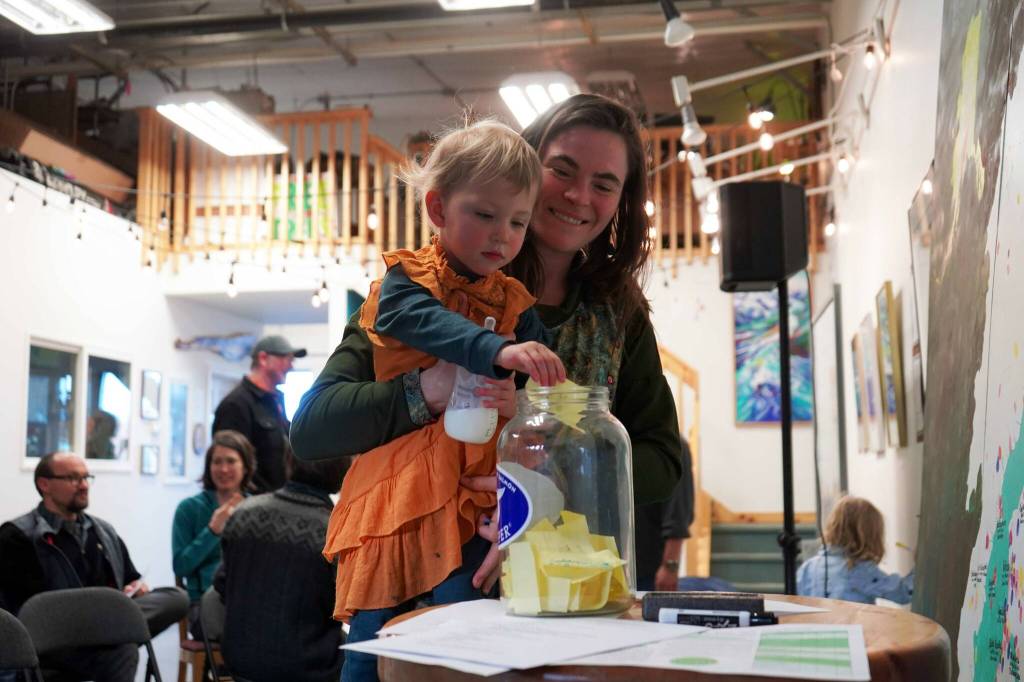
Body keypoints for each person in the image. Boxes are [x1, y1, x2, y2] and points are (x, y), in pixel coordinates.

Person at [292, 95, 683, 681]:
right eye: (563, 171)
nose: (580, 196)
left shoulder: (619, 313)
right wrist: (431, 388)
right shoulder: (426, 288)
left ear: (621, 202)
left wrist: (545, 498)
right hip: (419, 541)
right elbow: (315, 426)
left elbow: (661, 459)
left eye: (605, 184)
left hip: (567, 588)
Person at [319, 120, 566, 680]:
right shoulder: (409, 280)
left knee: (466, 638)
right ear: (437, 209)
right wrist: (496, 352)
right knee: (373, 646)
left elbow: (537, 388)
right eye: (484, 215)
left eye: (518, 221)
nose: (502, 235)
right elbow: (415, 322)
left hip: (473, 503)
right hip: (397, 497)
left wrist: (524, 389)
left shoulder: (514, 301)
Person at [0, 452, 188, 682]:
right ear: (44, 484)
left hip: (103, 637)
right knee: (123, 646)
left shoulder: (103, 531)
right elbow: (22, 610)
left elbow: (131, 578)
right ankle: (110, 628)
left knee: (175, 598)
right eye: (73, 478)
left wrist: (137, 588)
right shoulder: (17, 536)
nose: (84, 485)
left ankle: (109, 629)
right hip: (54, 644)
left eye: (86, 477)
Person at [214, 450, 350, 682]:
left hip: (240, 662)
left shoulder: (244, 513)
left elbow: (221, 583)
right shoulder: (334, 531)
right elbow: (347, 608)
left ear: (288, 462)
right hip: (308, 667)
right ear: (344, 471)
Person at [171, 430, 255, 638]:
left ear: (245, 467)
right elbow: (181, 566)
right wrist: (213, 530)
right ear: (209, 468)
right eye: (217, 462)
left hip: (249, 600)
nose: (224, 469)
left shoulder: (256, 508)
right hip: (202, 605)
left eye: (231, 461)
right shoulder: (189, 508)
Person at [213, 334, 306, 493]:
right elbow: (228, 467)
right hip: (252, 507)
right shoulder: (236, 405)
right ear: (263, 358)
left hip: (279, 501)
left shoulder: (275, 402)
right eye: (287, 359)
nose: (291, 366)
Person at [797, 495, 914, 604]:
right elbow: (903, 593)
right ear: (868, 535)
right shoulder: (858, 569)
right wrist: (921, 564)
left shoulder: (807, 568)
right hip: (853, 626)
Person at [635, 438, 695, 591]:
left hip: (649, 571)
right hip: (616, 566)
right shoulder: (622, 442)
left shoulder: (673, 446)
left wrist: (670, 567)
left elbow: (677, 516)